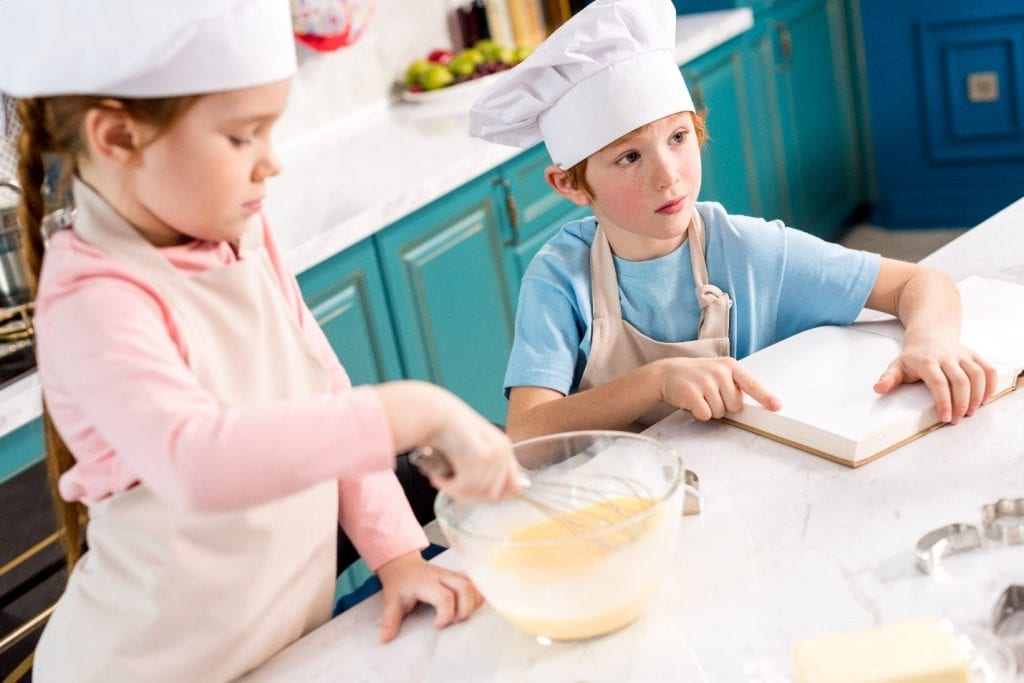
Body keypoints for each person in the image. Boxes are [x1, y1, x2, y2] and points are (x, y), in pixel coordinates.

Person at [0, 0, 520, 679]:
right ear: (117, 138)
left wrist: (398, 556)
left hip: (283, 650)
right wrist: (414, 410)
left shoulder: (242, 230)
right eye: (244, 136)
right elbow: (199, 461)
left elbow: (322, 388)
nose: (269, 163)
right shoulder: (93, 297)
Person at [468, 0, 997, 441]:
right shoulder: (560, 276)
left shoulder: (747, 249)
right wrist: (656, 381)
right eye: (629, 157)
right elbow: (529, 437)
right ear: (570, 185)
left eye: (678, 138)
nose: (668, 176)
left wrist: (931, 341)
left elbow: (918, 282)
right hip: (626, 499)